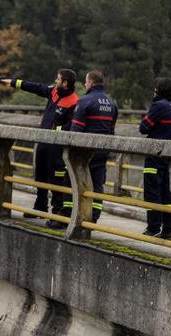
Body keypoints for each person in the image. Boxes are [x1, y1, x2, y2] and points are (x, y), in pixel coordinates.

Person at [1, 70, 79, 218]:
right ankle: (40, 207)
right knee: (40, 175)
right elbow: (37, 88)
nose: (55, 81)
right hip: (43, 143)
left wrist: (53, 130)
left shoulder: (74, 102)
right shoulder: (54, 92)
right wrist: (14, 83)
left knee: (57, 179)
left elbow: (71, 127)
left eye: (58, 79)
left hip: (57, 147)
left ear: (65, 83)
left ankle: (57, 213)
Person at [59, 69, 118, 227]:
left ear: (91, 82)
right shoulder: (112, 104)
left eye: (86, 81)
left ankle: (67, 216)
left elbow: (76, 131)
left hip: (84, 153)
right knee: (97, 184)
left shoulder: (85, 101)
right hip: (102, 152)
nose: (85, 84)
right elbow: (111, 131)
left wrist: (70, 150)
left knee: (70, 180)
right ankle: (94, 217)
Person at [139, 77, 171, 240]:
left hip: (154, 156)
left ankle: (153, 227)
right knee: (165, 193)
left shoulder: (158, 106)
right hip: (166, 156)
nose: (154, 90)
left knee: (152, 192)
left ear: (159, 89)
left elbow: (143, 128)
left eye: (156, 87)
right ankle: (168, 230)